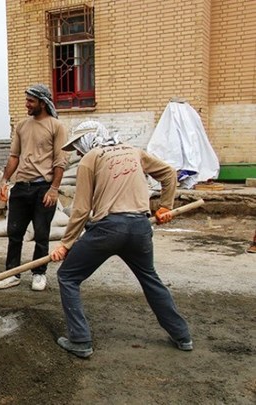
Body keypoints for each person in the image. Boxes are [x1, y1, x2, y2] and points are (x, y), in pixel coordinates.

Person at [49, 120, 192, 358]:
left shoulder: (90, 158)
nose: (77, 151)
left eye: (78, 145)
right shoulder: (133, 152)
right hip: (139, 228)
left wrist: (66, 244)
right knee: (149, 279)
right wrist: (165, 206)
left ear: (88, 139)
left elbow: (81, 209)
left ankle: (80, 340)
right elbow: (168, 173)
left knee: (68, 276)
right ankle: (182, 335)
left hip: (108, 229)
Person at [0, 84, 68, 291]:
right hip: (21, 188)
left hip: (43, 189)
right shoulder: (22, 126)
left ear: (42, 103)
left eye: (30, 101)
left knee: (42, 234)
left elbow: (60, 161)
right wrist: (4, 180)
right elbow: (14, 156)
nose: (27, 104)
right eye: (27, 100)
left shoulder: (56, 126)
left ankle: (39, 273)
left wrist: (54, 189)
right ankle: (12, 274)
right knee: (14, 232)